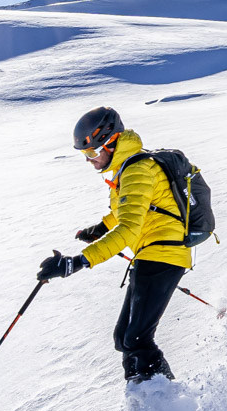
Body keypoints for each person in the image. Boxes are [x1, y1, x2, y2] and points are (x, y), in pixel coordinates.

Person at [36, 106, 192, 383]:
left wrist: (77, 262)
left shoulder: (137, 170)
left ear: (111, 143)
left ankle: (165, 401)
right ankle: (143, 396)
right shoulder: (127, 169)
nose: (89, 160)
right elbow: (133, 209)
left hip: (164, 254)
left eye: (92, 152)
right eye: (85, 154)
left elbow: (129, 227)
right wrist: (102, 227)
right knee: (124, 338)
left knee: (136, 338)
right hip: (151, 254)